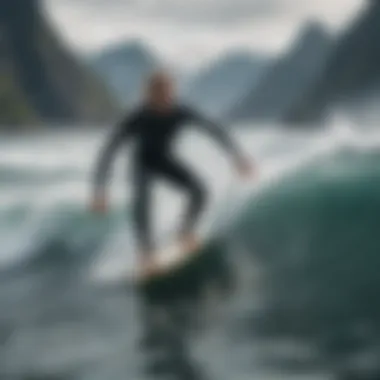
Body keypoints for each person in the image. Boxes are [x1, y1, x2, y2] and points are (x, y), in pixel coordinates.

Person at [90, 70, 255, 278]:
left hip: (164, 160)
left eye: (168, 91)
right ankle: (146, 252)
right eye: (158, 92)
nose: (164, 96)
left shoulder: (181, 113)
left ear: (173, 92)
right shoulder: (138, 117)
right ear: (148, 94)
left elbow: (213, 130)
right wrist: (100, 191)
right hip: (142, 165)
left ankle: (185, 231)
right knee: (142, 200)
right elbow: (110, 150)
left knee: (199, 191)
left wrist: (238, 158)